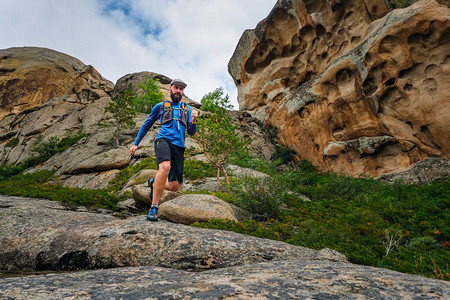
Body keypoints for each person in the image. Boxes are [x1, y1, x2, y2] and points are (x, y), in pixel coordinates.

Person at [129, 78, 198, 221]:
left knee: (174, 187)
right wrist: (136, 143)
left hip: (179, 146)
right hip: (163, 140)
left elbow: (191, 132)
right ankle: (154, 207)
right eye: (176, 87)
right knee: (165, 167)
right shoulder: (160, 106)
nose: (178, 90)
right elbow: (147, 124)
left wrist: (194, 120)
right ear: (170, 88)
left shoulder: (188, 109)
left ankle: (154, 183)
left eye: (181, 89)